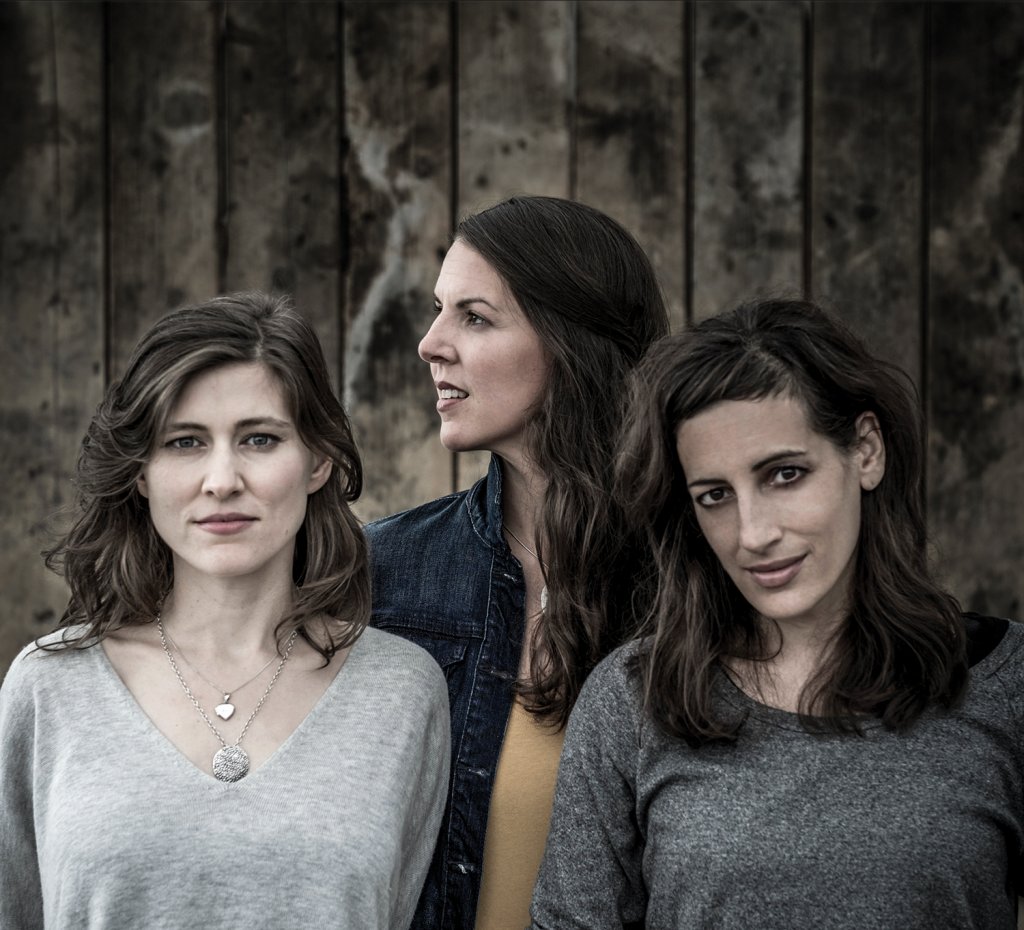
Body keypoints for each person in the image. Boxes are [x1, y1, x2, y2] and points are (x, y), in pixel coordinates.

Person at [529, 297, 1023, 929]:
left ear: (866, 451)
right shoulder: (635, 698)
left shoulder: (1007, 687)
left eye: (785, 475)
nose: (752, 533)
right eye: (715, 495)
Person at [0, 292, 449, 929]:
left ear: (317, 460)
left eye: (259, 439)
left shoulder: (402, 691)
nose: (221, 479)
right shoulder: (50, 687)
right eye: (184, 443)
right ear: (141, 473)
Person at [366, 195, 670, 930]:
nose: (430, 344)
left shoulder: (694, 575)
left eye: (475, 317)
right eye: (440, 311)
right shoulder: (387, 571)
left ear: (569, 341)